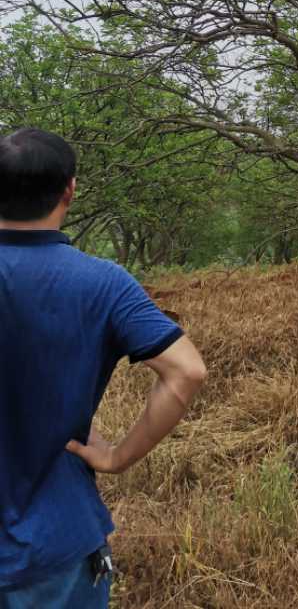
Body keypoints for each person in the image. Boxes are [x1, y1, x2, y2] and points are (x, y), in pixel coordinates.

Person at [0, 128, 207, 608]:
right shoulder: (104, 283)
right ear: (70, 190)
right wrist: (117, 457)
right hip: (56, 545)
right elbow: (186, 371)